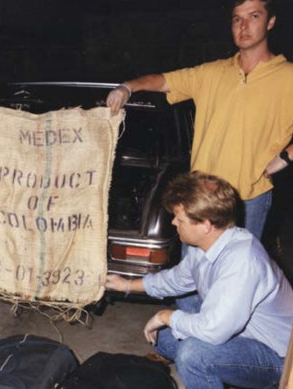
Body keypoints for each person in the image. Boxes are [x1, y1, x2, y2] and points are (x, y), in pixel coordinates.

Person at [106, 0, 293, 239]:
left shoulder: (288, 76)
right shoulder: (212, 72)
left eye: (254, 16)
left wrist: (285, 157)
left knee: (238, 274)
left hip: (248, 199)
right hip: (200, 197)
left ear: (271, 22)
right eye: (237, 19)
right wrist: (127, 87)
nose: (243, 26)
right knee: (194, 273)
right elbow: (164, 81)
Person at [106, 171, 293, 389]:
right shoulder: (208, 243)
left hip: (279, 358)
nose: (174, 222)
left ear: (205, 225)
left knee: (193, 355)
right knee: (164, 339)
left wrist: (165, 315)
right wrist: (125, 284)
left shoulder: (242, 260)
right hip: (242, 333)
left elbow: (213, 331)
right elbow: (176, 279)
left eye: (180, 218)